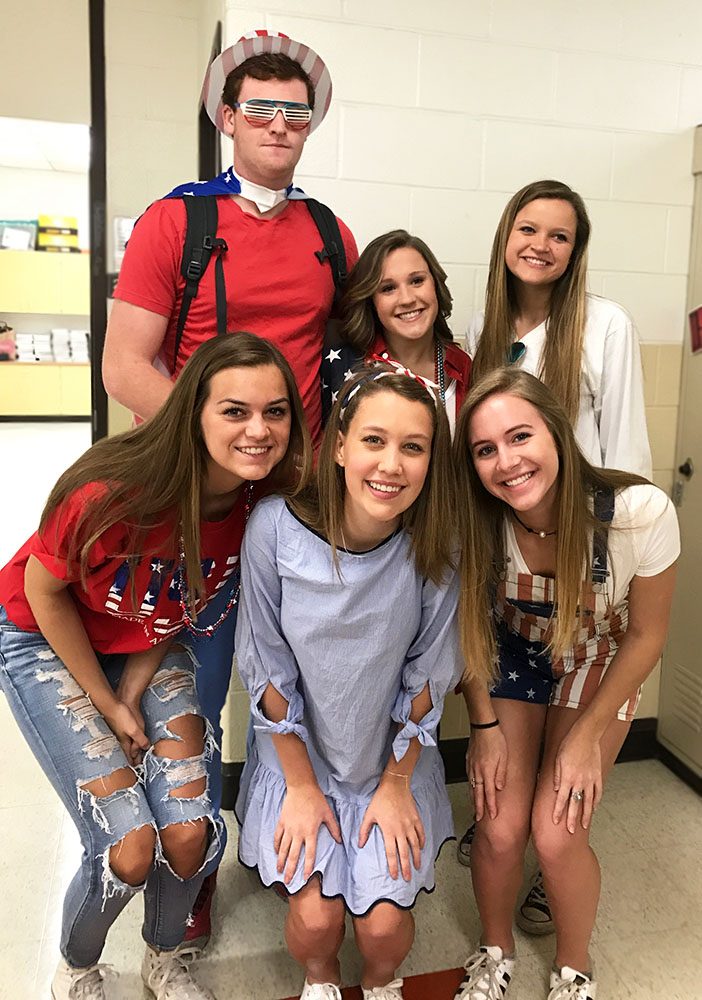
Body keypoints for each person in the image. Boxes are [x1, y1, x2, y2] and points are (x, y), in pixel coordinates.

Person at [102, 29, 358, 940]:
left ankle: (312, 848)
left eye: (298, 111)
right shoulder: (177, 222)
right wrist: (223, 458)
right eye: (263, 109)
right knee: (198, 693)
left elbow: (354, 366)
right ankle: (193, 859)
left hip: (300, 509)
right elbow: (125, 367)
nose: (282, 124)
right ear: (226, 117)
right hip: (194, 505)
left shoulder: (331, 233)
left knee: (310, 683)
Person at [0, 334, 311, 1000]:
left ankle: (165, 956)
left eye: (275, 411)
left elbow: (173, 605)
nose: (258, 430)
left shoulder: (260, 503)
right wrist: (107, 706)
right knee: (129, 846)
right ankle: (77, 969)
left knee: (190, 834)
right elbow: (42, 593)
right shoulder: (111, 488)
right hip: (43, 637)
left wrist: (134, 690)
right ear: (193, 412)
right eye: (235, 411)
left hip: (140, 644)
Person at [460, 180, 652, 928]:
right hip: (507, 559)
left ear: (576, 252)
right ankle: (509, 847)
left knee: (571, 741)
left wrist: (615, 575)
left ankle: (551, 863)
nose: (540, 244)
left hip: (581, 565)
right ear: (506, 235)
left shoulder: (604, 325)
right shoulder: (485, 326)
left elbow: (628, 457)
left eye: (559, 235)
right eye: (527, 228)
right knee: (520, 723)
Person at [234, 367, 461, 1000]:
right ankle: (321, 982)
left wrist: (394, 784)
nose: (391, 464)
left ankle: (381, 985)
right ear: (339, 446)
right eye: (374, 441)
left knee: (384, 930)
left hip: (390, 755)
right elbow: (266, 668)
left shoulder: (436, 545)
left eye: (413, 447)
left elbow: (428, 675)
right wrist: (302, 786)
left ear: (429, 462)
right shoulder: (275, 530)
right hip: (301, 754)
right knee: (315, 920)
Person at [452, 368, 678, 1000]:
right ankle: (493, 955)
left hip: (597, 661)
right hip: (513, 657)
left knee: (557, 832)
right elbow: (467, 628)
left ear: (556, 431)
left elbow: (646, 636)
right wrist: (484, 727)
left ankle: (573, 970)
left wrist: (587, 735)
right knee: (497, 822)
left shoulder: (639, 513)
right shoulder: (474, 523)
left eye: (520, 436)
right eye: (485, 450)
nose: (507, 462)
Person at [323, 229, 471, 435]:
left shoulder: (465, 367)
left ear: (435, 284)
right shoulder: (346, 367)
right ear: (371, 301)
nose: (407, 298)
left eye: (417, 281)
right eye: (388, 288)